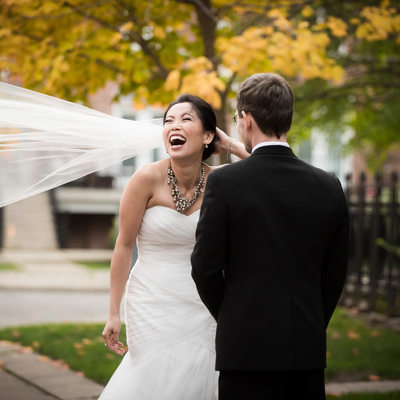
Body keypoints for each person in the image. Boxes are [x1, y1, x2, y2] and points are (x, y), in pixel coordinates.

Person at [191, 73, 349, 400]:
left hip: (245, 350)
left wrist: (235, 314)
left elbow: (205, 267)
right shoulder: (328, 185)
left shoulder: (225, 183)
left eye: (237, 119)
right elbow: (334, 273)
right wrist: (312, 320)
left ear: (246, 120)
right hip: (305, 347)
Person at [99, 94, 248, 400]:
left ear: (208, 136)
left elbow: (270, 170)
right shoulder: (145, 179)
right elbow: (124, 245)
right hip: (150, 300)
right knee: (153, 375)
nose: (173, 126)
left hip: (203, 301)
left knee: (200, 373)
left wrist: (231, 145)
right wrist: (113, 313)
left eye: (185, 119)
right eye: (168, 121)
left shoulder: (222, 182)